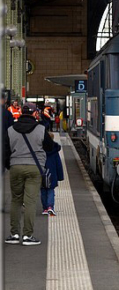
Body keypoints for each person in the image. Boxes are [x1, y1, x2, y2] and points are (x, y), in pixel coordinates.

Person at [3, 103, 53, 246]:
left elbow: (5, 151)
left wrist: (10, 165)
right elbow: (49, 147)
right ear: (34, 114)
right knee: (30, 201)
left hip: (16, 167)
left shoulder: (10, 130)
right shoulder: (41, 129)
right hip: (34, 168)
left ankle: (14, 234)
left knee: (16, 200)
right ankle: (27, 236)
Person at [41, 134, 64, 216]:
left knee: (43, 190)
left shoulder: (39, 149)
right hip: (52, 173)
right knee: (51, 190)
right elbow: (58, 164)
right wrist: (60, 176)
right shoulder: (55, 151)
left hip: (42, 172)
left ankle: (45, 209)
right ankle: (50, 207)